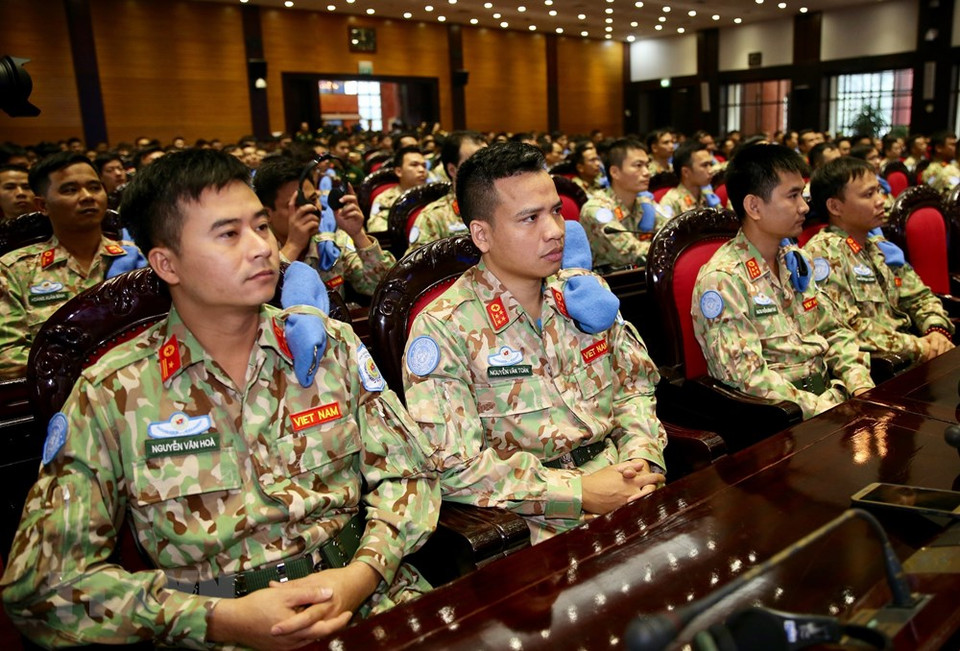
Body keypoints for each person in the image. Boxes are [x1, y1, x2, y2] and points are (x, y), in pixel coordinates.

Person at [1, 149, 439, 649]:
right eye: (228, 234)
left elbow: (412, 474)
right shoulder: (114, 391)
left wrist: (362, 572)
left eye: (260, 227)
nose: (262, 248)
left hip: (367, 598)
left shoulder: (330, 345)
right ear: (166, 262)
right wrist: (210, 619)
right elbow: (44, 584)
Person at [402, 142, 666, 544]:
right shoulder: (444, 328)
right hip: (540, 527)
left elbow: (636, 388)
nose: (555, 231)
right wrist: (579, 492)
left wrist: (641, 458)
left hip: (632, 490)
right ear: (482, 234)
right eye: (530, 218)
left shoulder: (582, 296)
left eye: (556, 211)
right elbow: (454, 466)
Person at [692, 144, 874, 419]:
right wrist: (825, 410)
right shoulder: (723, 280)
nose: (804, 206)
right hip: (779, 422)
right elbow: (747, 378)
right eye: (792, 196)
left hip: (833, 400)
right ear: (754, 206)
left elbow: (835, 331)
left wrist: (861, 385)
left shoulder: (796, 259)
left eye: (802, 193)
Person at [805, 157, 954, 364]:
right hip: (878, 366)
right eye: (868, 194)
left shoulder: (878, 246)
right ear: (835, 206)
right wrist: (920, 346)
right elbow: (846, 326)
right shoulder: (824, 254)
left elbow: (919, 296)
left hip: (914, 355)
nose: (880, 200)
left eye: (878, 191)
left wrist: (936, 329)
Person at [0, 153, 134, 377]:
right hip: (59, 397)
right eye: (70, 190)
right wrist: (93, 364)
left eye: (94, 187)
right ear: (42, 205)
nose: (87, 197)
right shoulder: (15, 269)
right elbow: (7, 357)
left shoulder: (136, 258)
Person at [254, 156, 395, 298]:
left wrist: (358, 235)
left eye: (313, 200)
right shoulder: (256, 253)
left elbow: (383, 288)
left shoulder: (331, 244)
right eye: (297, 204)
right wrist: (294, 245)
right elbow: (262, 302)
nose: (311, 209)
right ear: (267, 214)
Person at [578, 139, 671, 268]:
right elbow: (631, 253)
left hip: (646, 275)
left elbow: (671, 231)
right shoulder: (596, 210)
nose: (647, 172)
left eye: (647, 165)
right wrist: (671, 248)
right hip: (611, 282)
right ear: (615, 172)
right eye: (638, 165)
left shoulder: (645, 202)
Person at [406, 130, 486, 252]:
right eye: (476, 163)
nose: (486, 169)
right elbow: (418, 269)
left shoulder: (505, 207)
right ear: (453, 170)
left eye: (489, 161)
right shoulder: (432, 218)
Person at [367, 146, 428, 233]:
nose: (422, 170)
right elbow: (378, 231)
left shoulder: (434, 196)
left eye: (424, 166)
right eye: (414, 165)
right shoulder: (385, 199)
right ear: (399, 171)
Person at [659, 141, 719, 218]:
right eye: (705, 165)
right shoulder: (671, 201)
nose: (711, 170)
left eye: (711, 164)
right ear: (685, 172)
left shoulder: (707, 196)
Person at [920, 131, 960, 195]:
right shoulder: (932, 169)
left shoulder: (955, 165)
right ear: (939, 148)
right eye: (952, 145)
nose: (956, 148)